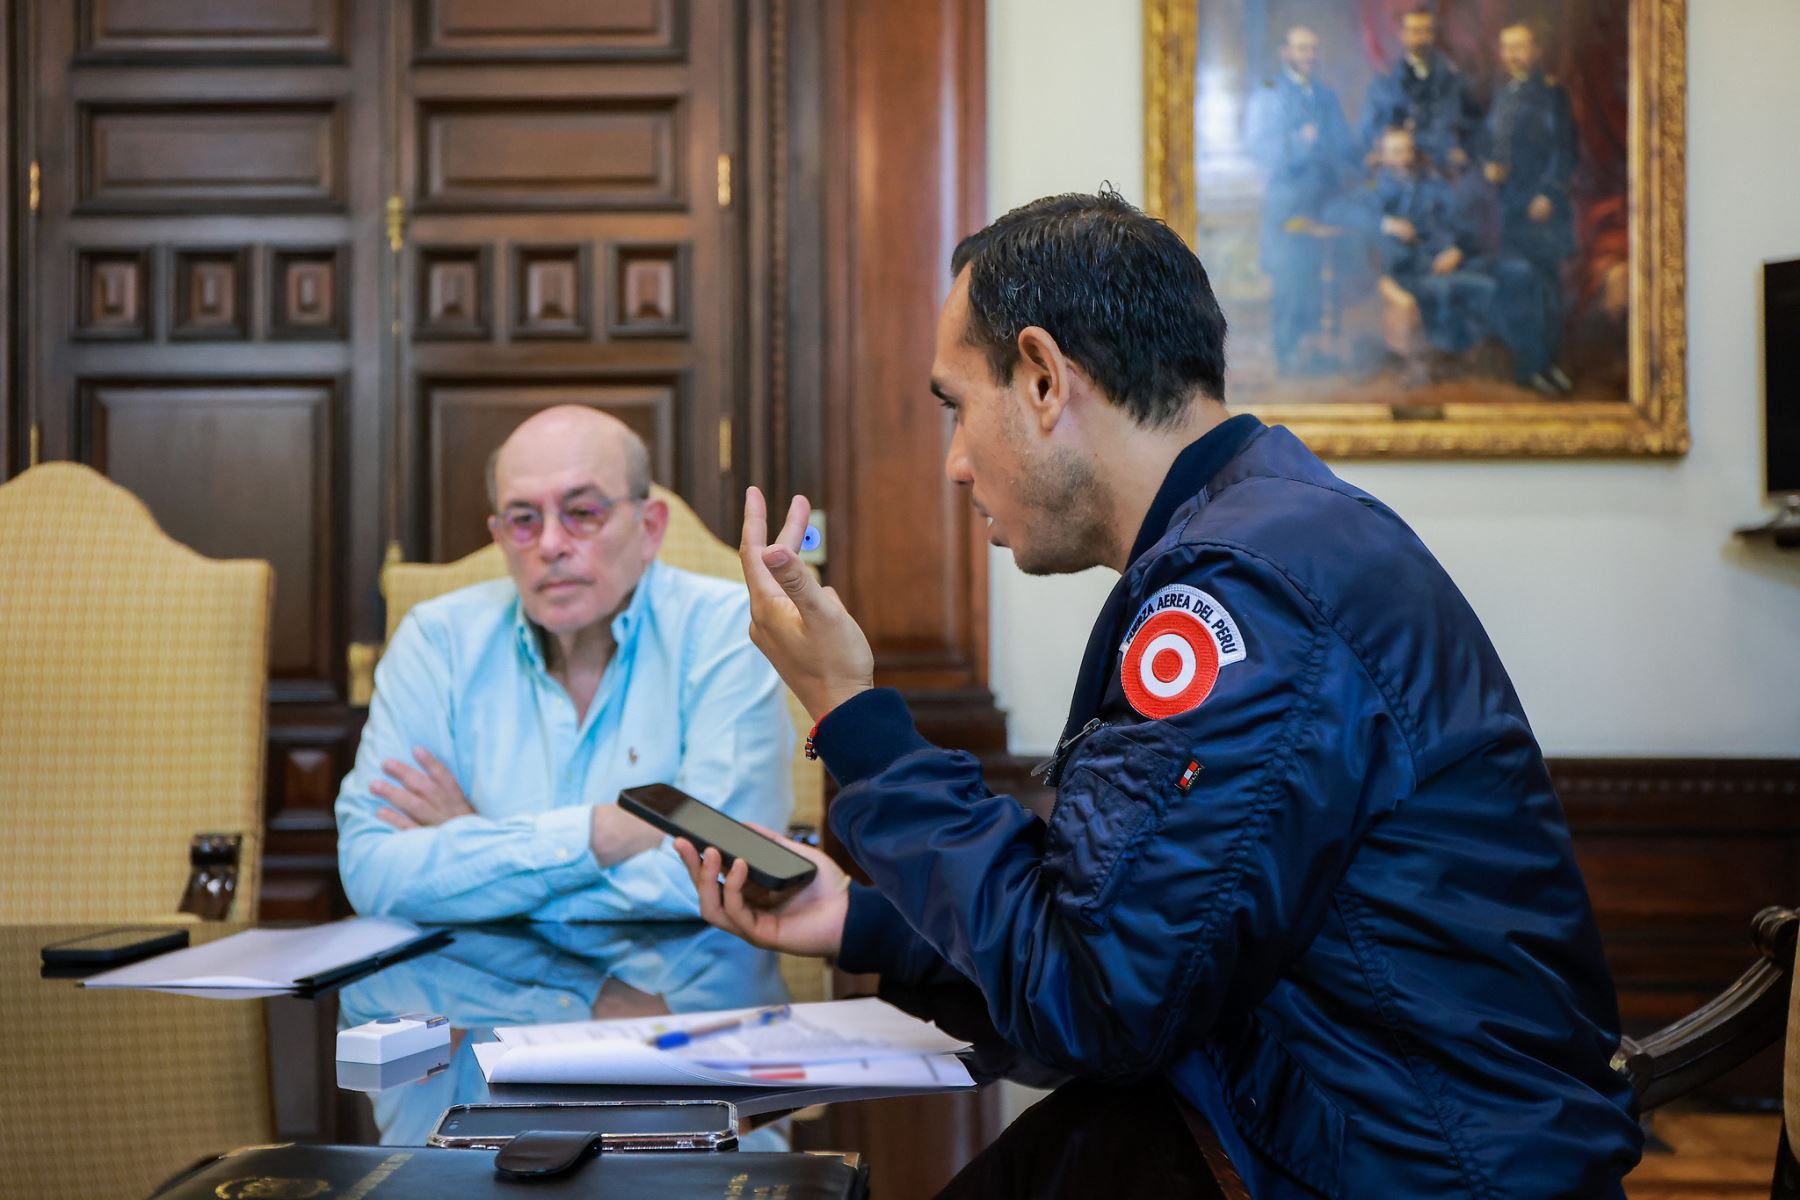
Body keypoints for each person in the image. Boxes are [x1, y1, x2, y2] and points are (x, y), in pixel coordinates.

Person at [676, 191, 1642, 1196]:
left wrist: (856, 720)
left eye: (957, 408)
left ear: (1045, 379)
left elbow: (1102, 1000)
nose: (957, 463)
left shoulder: (1244, 596)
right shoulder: (1266, 534)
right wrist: (862, 926)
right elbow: (1136, 925)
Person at [335, 406, 792, 922]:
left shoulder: (727, 630)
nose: (551, 545)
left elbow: (726, 877)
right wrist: (603, 832)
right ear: (500, 536)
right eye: (524, 519)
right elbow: (371, 873)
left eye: (583, 513)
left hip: (688, 994)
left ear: (649, 527)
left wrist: (476, 846)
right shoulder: (436, 640)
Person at [1243, 25, 1356, 374]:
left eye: (1312, 49)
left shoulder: (1325, 96)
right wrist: (1300, 141)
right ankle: (1288, 352)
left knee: (1317, 281)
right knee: (1291, 279)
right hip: (1287, 207)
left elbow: (1342, 143)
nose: (1308, 55)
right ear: (1285, 53)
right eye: (1301, 48)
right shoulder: (1269, 95)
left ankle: (1314, 352)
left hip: (1323, 202)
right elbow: (1260, 148)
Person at [1480, 21, 1580, 393]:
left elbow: (1565, 152)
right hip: (1510, 209)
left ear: (1535, 50)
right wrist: (1489, 166)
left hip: (1542, 210)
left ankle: (1546, 365)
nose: (1512, 55)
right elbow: (1492, 145)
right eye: (1506, 48)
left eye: (1519, 47)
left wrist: (1549, 194)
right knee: (1522, 289)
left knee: (1547, 291)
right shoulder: (1504, 94)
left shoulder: (1552, 94)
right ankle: (1532, 366)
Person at [1368, 126, 1496, 381]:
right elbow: (1343, 214)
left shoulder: (1429, 184)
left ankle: (1460, 357)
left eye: (1406, 150)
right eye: (1395, 151)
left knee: (1486, 286)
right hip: (1404, 270)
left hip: (1440, 263)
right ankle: (1435, 362)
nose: (1403, 157)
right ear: (1382, 156)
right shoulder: (1374, 189)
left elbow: (1458, 222)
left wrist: (1455, 249)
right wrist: (1387, 224)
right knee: (1443, 290)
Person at [1359, 6, 1481, 173]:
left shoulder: (1454, 79)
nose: (1421, 38)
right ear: (1402, 35)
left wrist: (1466, 151)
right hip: (1402, 169)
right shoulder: (1386, 82)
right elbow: (1371, 128)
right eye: (1415, 31)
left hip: (1444, 169)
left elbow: (1474, 123)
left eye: (1426, 31)